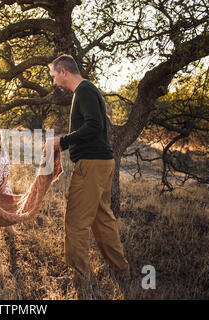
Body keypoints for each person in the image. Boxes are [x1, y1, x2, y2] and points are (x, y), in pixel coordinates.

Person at [47, 55, 130, 280]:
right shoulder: (86, 91)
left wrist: (63, 142)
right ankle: (121, 270)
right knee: (102, 219)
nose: (54, 82)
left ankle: (79, 275)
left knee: (76, 220)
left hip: (92, 165)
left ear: (64, 71)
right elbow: (92, 127)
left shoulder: (84, 90)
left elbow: (94, 125)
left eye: (54, 76)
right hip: (101, 162)